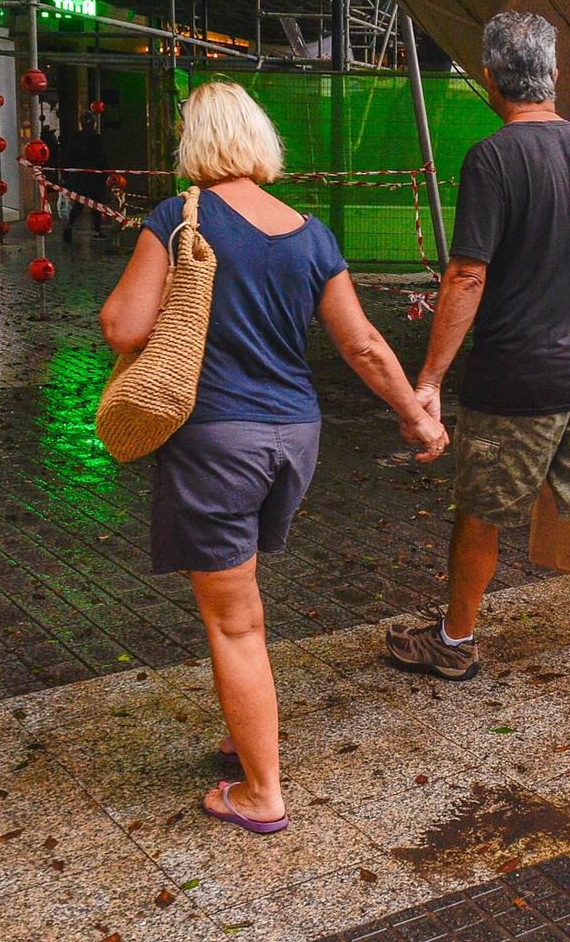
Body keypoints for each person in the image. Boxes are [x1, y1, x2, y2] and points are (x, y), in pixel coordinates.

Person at [99, 81, 447, 835]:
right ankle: (241, 729)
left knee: (234, 623)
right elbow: (362, 343)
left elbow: (123, 325)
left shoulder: (179, 217)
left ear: (194, 142)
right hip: (294, 438)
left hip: (218, 440)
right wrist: (416, 416)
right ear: (258, 139)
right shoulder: (311, 233)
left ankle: (261, 792)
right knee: (242, 603)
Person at [384, 12, 570, 733]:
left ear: (489, 77)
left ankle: (455, 644)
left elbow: (465, 276)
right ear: (555, 75)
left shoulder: (491, 159)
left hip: (512, 384)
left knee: (481, 515)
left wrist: (428, 376)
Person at [59, 111, 108, 235]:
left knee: (79, 203)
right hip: (94, 178)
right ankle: (97, 230)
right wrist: (106, 173)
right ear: (93, 123)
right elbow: (102, 158)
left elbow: (68, 157)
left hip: (79, 177)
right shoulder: (96, 138)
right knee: (96, 204)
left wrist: (66, 176)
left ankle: (69, 226)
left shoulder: (75, 138)